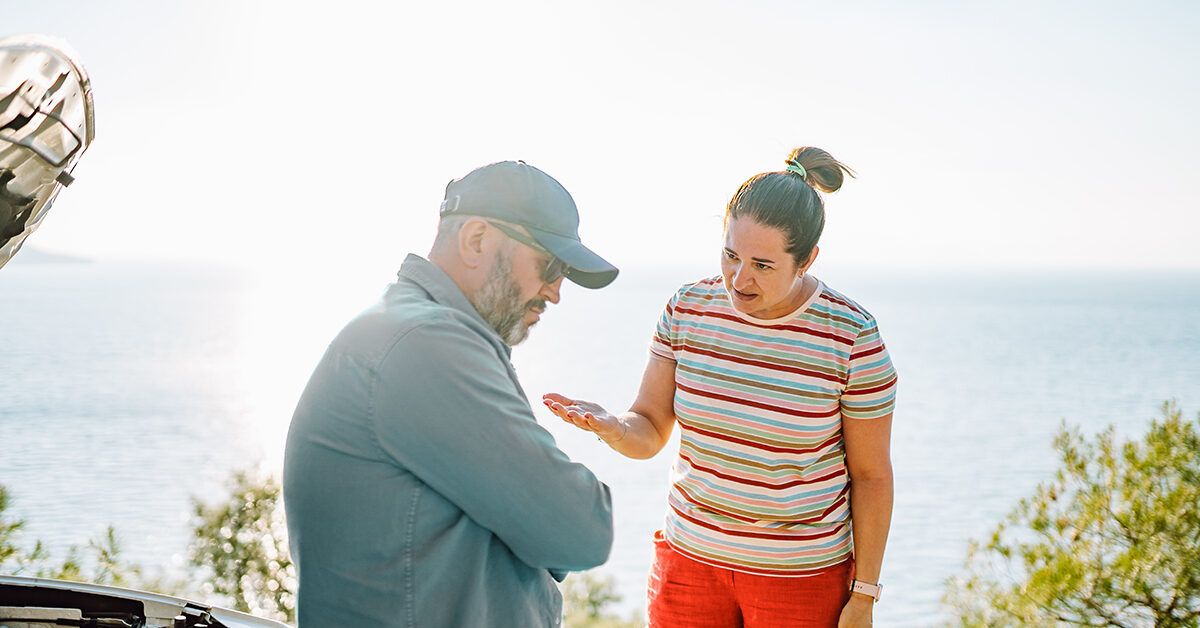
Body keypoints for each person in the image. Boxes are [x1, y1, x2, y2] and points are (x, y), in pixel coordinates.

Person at [544, 147, 897, 628]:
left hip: (800, 580)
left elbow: (871, 476)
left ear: (807, 260)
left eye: (763, 265)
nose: (739, 278)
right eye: (731, 255)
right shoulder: (688, 309)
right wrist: (612, 427)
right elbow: (648, 428)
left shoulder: (851, 336)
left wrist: (865, 596)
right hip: (688, 567)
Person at [283, 160, 620, 627]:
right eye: (550, 265)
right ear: (476, 239)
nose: (555, 292)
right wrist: (541, 518)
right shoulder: (427, 342)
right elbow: (581, 530)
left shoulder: (407, 327)